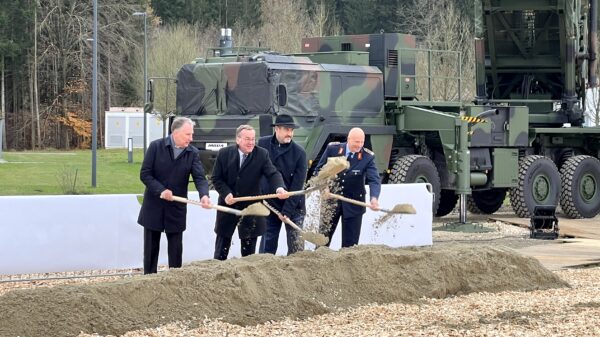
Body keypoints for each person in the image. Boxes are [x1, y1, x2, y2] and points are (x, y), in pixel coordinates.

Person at [137, 116, 211, 274]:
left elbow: (199, 178)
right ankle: (149, 281)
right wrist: (161, 190)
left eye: (192, 134)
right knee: (150, 250)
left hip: (176, 209)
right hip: (153, 207)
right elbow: (145, 174)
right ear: (175, 132)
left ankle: (175, 282)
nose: (191, 138)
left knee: (176, 251)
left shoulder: (192, 153)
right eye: (187, 134)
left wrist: (204, 195)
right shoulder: (156, 146)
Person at [211, 124, 288, 260]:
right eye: (247, 139)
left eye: (253, 139)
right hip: (228, 207)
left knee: (249, 254)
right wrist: (226, 194)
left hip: (251, 209)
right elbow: (216, 179)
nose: (251, 142)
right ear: (238, 139)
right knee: (221, 249)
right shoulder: (224, 154)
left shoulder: (262, 154)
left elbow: (273, 173)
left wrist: (279, 188)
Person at [314, 127, 381, 248]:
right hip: (331, 203)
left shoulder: (367, 157)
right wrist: (324, 187)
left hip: (354, 204)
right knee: (322, 243)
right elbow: (318, 171)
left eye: (362, 142)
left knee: (350, 247)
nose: (359, 145)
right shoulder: (333, 149)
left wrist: (374, 198)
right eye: (356, 142)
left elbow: (374, 180)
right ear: (349, 139)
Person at [258, 114, 308, 255]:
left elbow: (298, 186)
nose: (290, 134)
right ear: (277, 129)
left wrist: (286, 211)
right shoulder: (263, 145)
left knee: (296, 249)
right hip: (270, 205)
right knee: (267, 248)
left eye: (292, 130)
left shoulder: (300, 153)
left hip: (294, 206)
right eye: (287, 129)